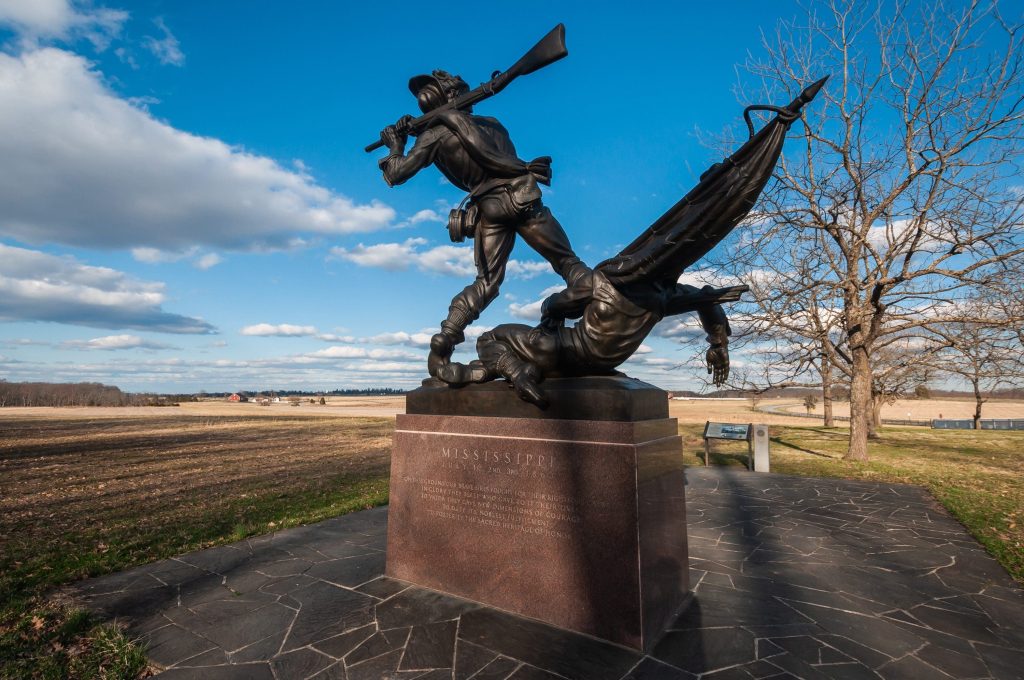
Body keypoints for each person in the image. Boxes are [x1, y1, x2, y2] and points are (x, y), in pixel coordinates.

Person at [377, 70, 590, 377]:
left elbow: (396, 174)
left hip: (490, 209)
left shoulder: (433, 136)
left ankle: (447, 337)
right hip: (521, 197)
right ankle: (594, 309)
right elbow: (505, 161)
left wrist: (395, 145)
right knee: (568, 263)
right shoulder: (493, 126)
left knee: (486, 283)